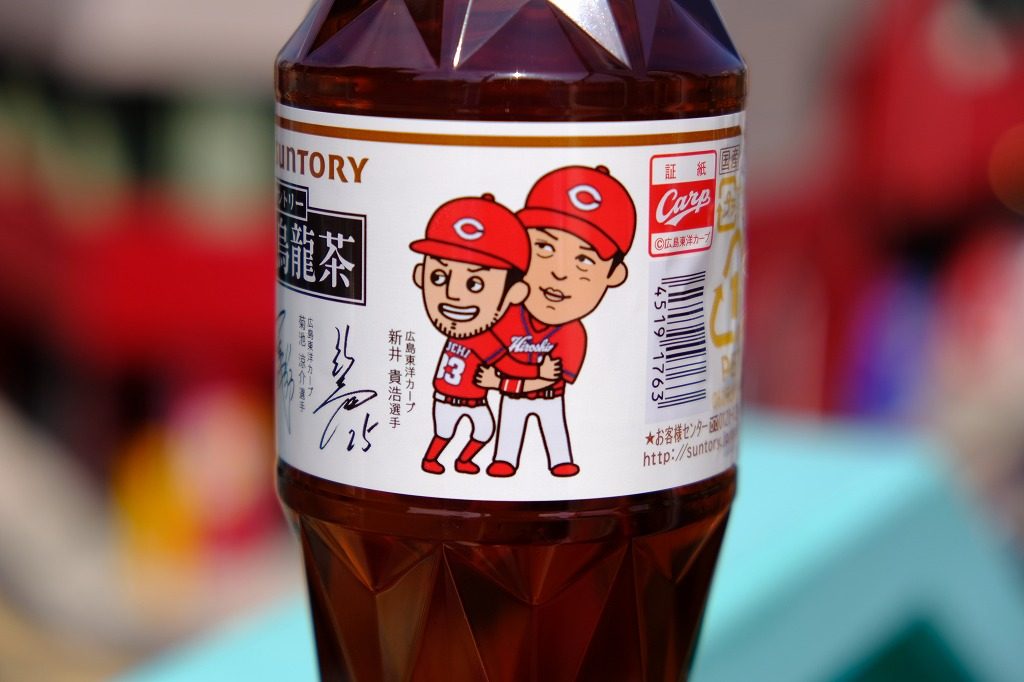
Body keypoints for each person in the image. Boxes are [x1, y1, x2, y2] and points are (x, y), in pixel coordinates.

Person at [477, 166, 636, 478]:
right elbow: (490, 353)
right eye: (544, 247)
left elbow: (550, 378)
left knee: (555, 430)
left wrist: (504, 382)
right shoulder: (506, 316)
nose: (559, 272)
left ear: (614, 274)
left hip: (547, 396)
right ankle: (504, 460)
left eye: (584, 259)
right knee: (509, 429)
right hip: (513, 396)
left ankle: (560, 461)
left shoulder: (573, 332)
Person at [410, 194, 560, 475]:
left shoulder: (475, 335)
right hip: (451, 399)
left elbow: (506, 365)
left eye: (475, 283)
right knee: (448, 433)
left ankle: (460, 461)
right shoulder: (479, 337)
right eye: (438, 277)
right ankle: (435, 460)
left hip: (470, 400)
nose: (453, 294)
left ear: (515, 293)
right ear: (420, 275)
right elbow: (507, 365)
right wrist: (538, 371)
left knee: (482, 431)